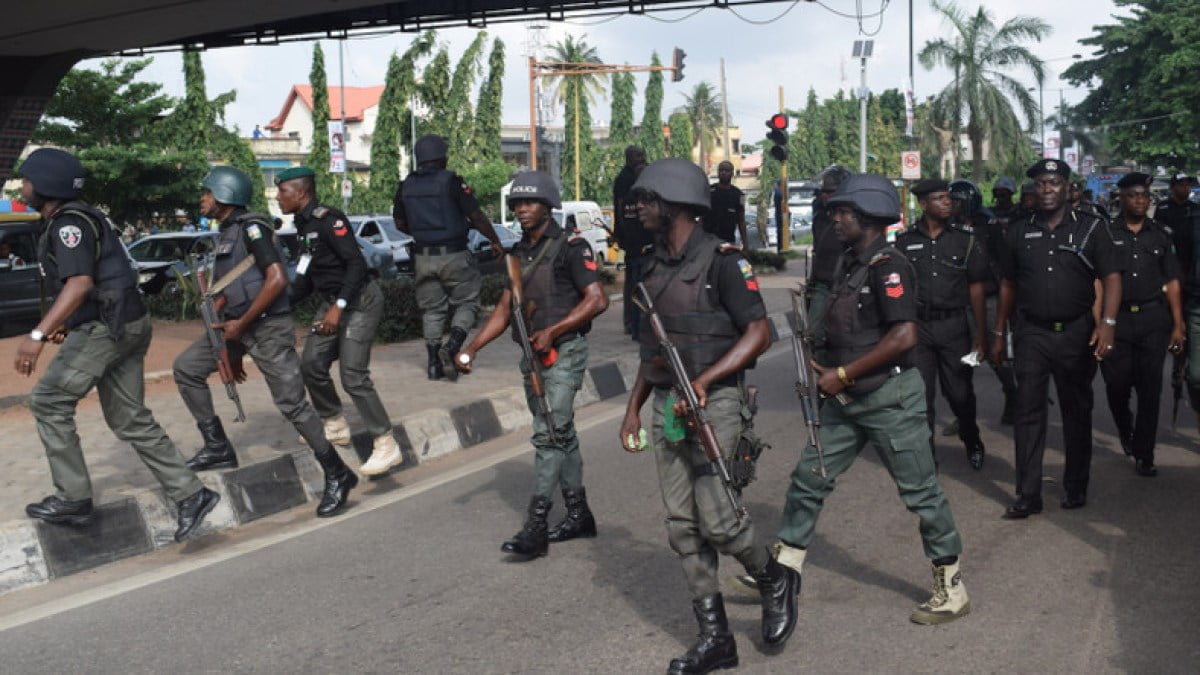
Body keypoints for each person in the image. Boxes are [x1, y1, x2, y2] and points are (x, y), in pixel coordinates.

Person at [619, 158, 799, 673]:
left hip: (715, 401)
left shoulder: (724, 261)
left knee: (720, 521)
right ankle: (715, 637)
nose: (639, 208)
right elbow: (650, 354)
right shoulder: (650, 266)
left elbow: (760, 333)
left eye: (647, 199)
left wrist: (704, 379)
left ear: (675, 202)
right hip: (667, 404)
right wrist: (633, 410)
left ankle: (773, 578)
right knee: (682, 526)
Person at [772, 173, 969, 627]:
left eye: (843, 212)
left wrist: (842, 374)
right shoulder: (848, 262)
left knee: (921, 493)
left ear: (867, 217)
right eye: (836, 211)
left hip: (889, 399)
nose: (835, 218)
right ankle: (784, 570)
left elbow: (904, 335)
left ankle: (951, 586)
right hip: (847, 401)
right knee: (809, 478)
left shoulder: (890, 266)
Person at [14, 148, 218, 541]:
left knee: (48, 401)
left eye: (27, 180)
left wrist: (37, 335)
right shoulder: (84, 216)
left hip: (107, 330)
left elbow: (80, 284)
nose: (23, 186)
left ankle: (73, 498)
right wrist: (68, 323)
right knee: (129, 417)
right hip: (128, 323)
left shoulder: (67, 225)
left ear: (46, 185)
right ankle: (192, 494)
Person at [172, 166, 358, 518]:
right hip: (237, 328)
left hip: (267, 327)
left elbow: (275, 280)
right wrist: (233, 346)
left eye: (207, 192)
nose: (202, 199)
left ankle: (337, 473)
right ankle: (217, 446)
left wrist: (240, 328)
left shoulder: (253, 228)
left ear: (226, 194)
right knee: (186, 368)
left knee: (293, 405)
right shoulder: (228, 231)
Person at [456, 171, 609, 559]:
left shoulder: (572, 247)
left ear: (548, 205)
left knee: (547, 433)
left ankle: (536, 526)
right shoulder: (519, 253)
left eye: (529, 203)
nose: (522, 210)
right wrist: (472, 349)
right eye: (517, 204)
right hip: (533, 355)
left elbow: (596, 300)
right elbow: (506, 308)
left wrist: (554, 331)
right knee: (562, 434)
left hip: (565, 352)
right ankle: (579, 515)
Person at [992, 159, 1124, 518]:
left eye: (1053, 182)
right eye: (1040, 183)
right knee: (1028, 412)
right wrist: (999, 332)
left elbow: (1111, 277)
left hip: (1077, 332)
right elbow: (1008, 284)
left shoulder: (1092, 228)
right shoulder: (1018, 231)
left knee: (1076, 411)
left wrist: (1108, 323)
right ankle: (1027, 494)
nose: (1046, 189)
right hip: (1031, 332)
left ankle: (1076, 485)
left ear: (1067, 187)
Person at [276, 166, 402, 477]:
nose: (278, 197)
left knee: (353, 375)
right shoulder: (303, 226)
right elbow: (305, 277)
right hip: (333, 303)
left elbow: (356, 265)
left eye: (283, 191)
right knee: (312, 364)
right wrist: (277, 307)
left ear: (301, 192)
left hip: (360, 301)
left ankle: (386, 442)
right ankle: (334, 423)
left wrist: (339, 307)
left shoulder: (330, 219)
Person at [392, 134, 503, 381]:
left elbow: (399, 222)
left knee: (432, 310)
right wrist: (495, 240)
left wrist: (422, 233)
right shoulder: (452, 182)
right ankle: (451, 348)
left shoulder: (406, 185)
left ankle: (433, 365)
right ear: (442, 158)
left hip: (422, 257)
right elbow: (477, 217)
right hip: (454, 255)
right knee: (468, 303)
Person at [896, 179, 989, 469]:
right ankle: (927, 457)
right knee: (922, 396)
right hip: (919, 329)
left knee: (960, 393)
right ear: (924, 205)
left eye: (949, 198)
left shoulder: (965, 239)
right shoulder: (903, 241)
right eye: (940, 199)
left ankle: (972, 438)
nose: (948, 203)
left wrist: (980, 335)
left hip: (954, 328)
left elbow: (976, 288)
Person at [1100, 173, 1185, 476]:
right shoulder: (1106, 233)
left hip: (1153, 319)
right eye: (1134, 195)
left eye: (1145, 196)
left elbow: (1172, 281)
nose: (1140, 201)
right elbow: (1097, 280)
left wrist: (1178, 324)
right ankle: (1126, 428)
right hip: (1117, 321)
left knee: (1150, 389)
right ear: (1120, 198)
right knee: (1116, 385)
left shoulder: (1161, 234)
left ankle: (1144, 453)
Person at [1155, 174, 1200, 427]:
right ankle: (1177, 359)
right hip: (1171, 273)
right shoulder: (1163, 209)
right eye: (1181, 184)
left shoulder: (1195, 211)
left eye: (1188, 184)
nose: (1185, 187)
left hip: (1192, 277)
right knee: (1173, 320)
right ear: (1173, 187)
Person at [807, 166, 854, 361]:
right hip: (822, 286)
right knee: (812, 334)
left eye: (829, 191)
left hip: (846, 288)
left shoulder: (855, 219)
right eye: (823, 191)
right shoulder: (820, 218)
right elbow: (817, 252)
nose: (824, 195)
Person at [612, 145, 650, 338]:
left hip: (648, 242)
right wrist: (619, 233)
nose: (641, 158)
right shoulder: (624, 181)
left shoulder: (648, 177)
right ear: (628, 159)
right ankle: (631, 323)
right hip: (632, 240)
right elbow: (619, 209)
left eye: (642, 154)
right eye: (637, 156)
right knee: (633, 283)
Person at [706, 160, 748, 245]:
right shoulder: (708, 191)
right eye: (721, 170)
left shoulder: (740, 195)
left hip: (728, 241)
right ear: (717, 173)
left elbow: (741, 221)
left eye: (726, 170)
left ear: (732, 173)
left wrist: (746, 245)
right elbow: (702, 217)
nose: (723, 173)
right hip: (707, 240)